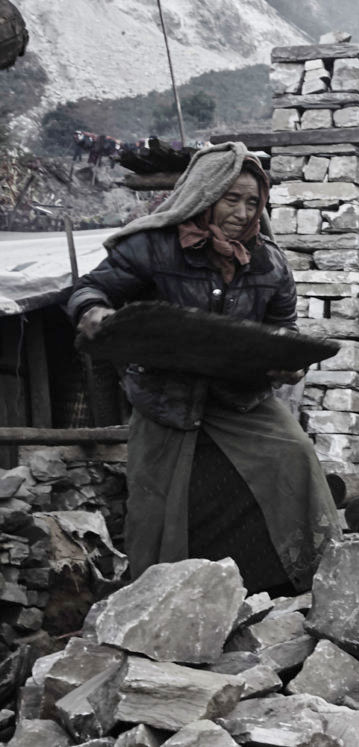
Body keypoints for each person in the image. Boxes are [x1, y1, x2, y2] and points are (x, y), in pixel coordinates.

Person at [67, 142, 341, 594]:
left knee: (293, 455)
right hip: (167, 397)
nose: (241, 211)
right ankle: (164, 599)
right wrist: (94, 311)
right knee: (161, 504)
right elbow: (91, 288)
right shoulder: (154, 247)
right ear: (205, 193)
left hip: (241, 397)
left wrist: (288, 364)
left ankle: (299, 586)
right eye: (231, 198)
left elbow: (283, 327)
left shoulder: (269, 263)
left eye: (252, 202)